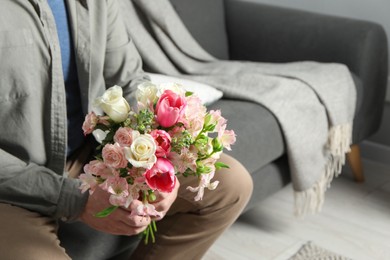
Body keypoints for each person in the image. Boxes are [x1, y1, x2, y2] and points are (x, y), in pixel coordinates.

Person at [0, 1, 253, 259]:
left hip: (86, 152)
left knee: (231, 185)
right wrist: (76, 199)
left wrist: (163, 164)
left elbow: (129, 82)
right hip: (11, 183)